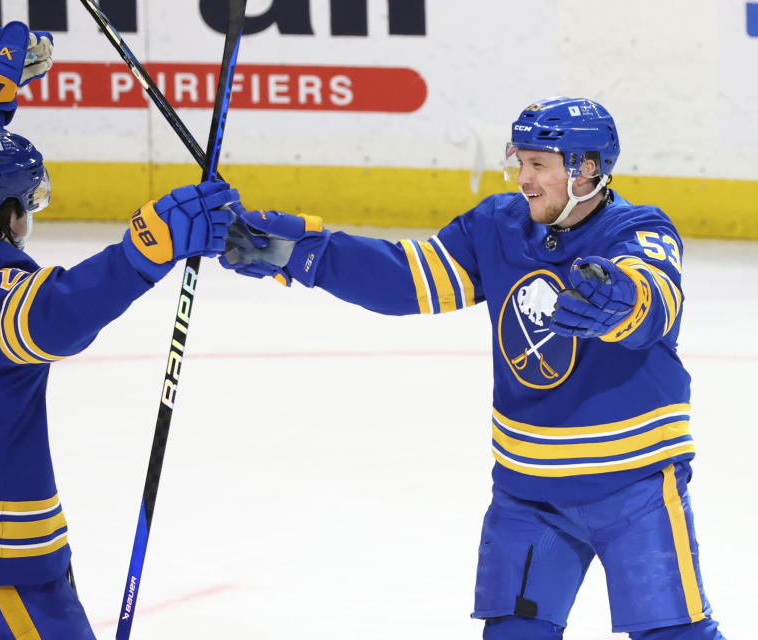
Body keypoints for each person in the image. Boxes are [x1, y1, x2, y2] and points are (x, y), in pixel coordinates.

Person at [220, 97, 725, 639]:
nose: (523, 178)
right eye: (520, 161)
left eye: (539, 164)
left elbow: (656, 295)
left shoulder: (637, 229)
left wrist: (621, 299)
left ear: (587, 168)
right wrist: (302, 253)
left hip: (635, 485)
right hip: (530, 490)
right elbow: (408, 278)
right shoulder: (497, 226)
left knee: (676, 636)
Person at [0, 22, 238, 639]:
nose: (27, 215)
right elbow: (60, 311)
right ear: (4, 215)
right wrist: (148, 248)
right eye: (25, 205)